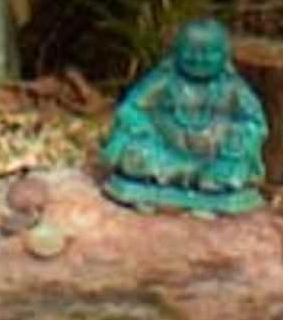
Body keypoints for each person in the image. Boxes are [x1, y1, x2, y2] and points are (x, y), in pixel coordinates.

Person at [98, 17, 268, 213]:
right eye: (190, 51)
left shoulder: (232, 88)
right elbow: (130, 109)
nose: (198, 59)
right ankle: (184, 176)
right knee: (135, 155)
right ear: (176, 52)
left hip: (216, 158)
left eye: (208, 53)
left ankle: (209, 180)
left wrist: (236, 142)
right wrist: (144, 129)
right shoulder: (164, 80)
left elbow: (254, 122)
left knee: (233, 170)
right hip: (163, 153)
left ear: (225, 55)